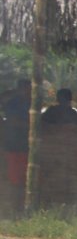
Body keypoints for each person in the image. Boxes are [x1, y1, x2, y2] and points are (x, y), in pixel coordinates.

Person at [1, 79, 33, 212]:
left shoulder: (31, 103)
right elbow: (13, 122)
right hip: (14, 146)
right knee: (15, 179)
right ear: (20, 89)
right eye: (27, 88)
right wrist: (31, 126)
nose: (29, 91)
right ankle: (14, 208)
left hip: (26, 146)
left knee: (24, 179)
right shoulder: (14, 104)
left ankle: (21, 208)